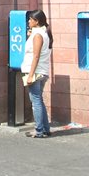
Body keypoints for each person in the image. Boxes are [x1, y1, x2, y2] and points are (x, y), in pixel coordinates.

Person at [21, 10, 53, 138]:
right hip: (41, 70)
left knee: (35, 101)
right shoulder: (41, 33)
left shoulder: (38, 35)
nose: (28, 21)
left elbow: (36, 55)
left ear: (37, 21)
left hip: (36, 71)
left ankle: (39, 130)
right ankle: (45, 128)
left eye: (30, 19)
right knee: (38, 99)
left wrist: (31, 75)